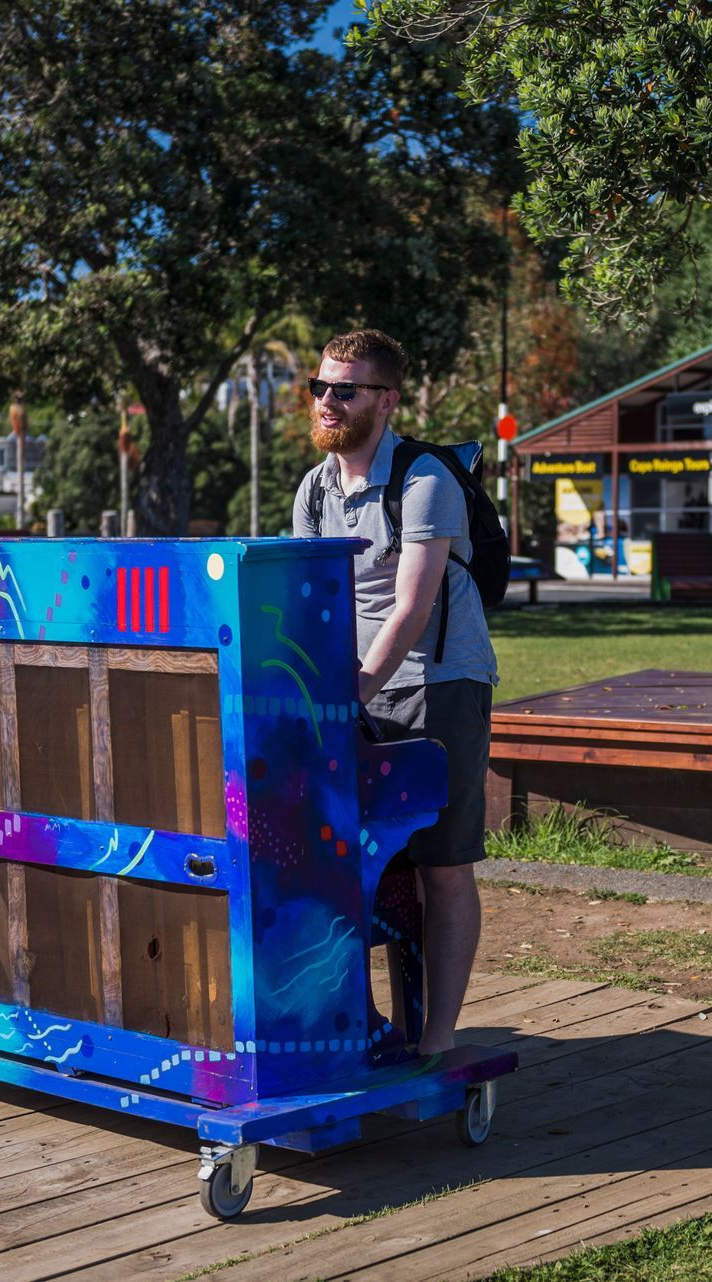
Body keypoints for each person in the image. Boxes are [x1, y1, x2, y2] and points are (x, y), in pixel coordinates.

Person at [291, 328, 496, 1058]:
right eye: (321, 387)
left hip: (437, 687)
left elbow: (411, 604)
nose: (328, 401)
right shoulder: (315, 489)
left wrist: (355, 691)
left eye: (345, 389)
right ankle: (366, 1024)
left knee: (441, 866)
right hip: (357, 691)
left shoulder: (424, 477)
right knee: (333, 859)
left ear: (386, 399)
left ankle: (435, 1041)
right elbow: (312, 605)